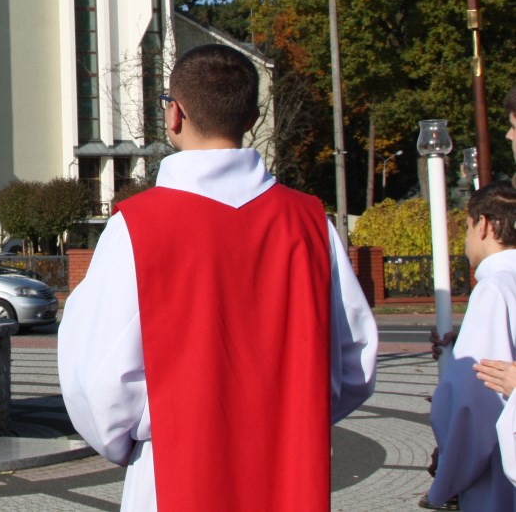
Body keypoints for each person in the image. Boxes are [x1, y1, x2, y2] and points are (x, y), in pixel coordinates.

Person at [58, 44, 377, 512]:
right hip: (289, 470)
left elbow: (98, 377)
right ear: (251, 118)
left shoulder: (137, 226)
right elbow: (355, 362)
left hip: (172, 470)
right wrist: (294, 419)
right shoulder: (310, 223)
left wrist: (130, 438)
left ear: (175, 115)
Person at [425, 181, 516, 509]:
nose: (464, 238)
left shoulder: (493, 289)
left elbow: (472, 406)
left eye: (466, 226)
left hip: (498, 477)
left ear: (485, 225)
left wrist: (448, 477)